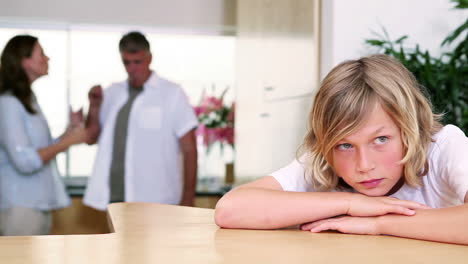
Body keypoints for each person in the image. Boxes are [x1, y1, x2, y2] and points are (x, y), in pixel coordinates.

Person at [215, 54, 468, 245]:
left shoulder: (443, 146)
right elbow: (231, 210)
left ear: (409, 127)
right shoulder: (323, 162)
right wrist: (349, 202)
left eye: (380, 139)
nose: (364, 165)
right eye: (345, 145)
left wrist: (378, 223)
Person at [83, 31, 198, 211]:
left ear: (149, 58)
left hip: (158, 201)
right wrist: (94, 106)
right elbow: (91, 138)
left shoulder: (172, 93)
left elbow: (189, 148)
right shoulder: (112, 93)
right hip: (114, 200)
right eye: (126, 62)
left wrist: (189, 197)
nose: (132, 68)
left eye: (138, 62)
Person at [0, 35, 88, 236]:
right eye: (42, 54)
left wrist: (69, 132)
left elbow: (41, 149)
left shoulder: (28, 100)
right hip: (20, 207)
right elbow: (25, 161)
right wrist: (69, 141)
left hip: (36, 205)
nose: (47, 59)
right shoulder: (8, 104)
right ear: (24, 61)